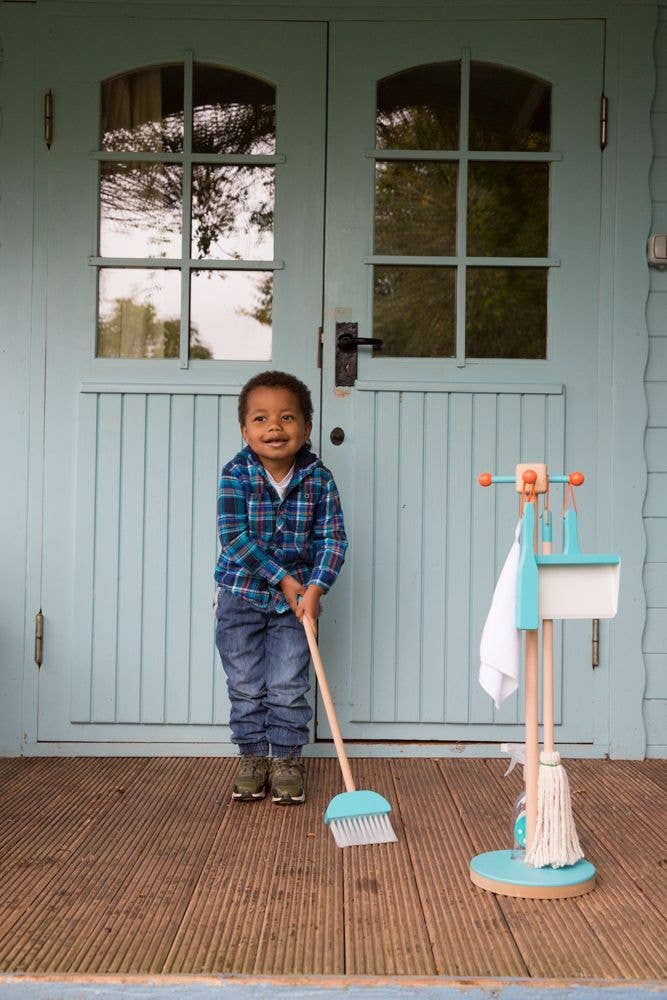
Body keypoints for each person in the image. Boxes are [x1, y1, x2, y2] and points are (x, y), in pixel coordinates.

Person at [214, 371, 347, 804]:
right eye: (261, 419)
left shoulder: (319, 478)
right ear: (244, 429)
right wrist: (285, 579)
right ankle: (253, 756)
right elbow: (234, 537)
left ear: (306, 428)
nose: (274, 427)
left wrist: (316, 588)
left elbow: (332, 539)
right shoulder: (236, 474)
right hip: (241, 595)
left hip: (297, 604)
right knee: (246, 684)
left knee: (288, 683)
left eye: (287, 417)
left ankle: (286, 759)